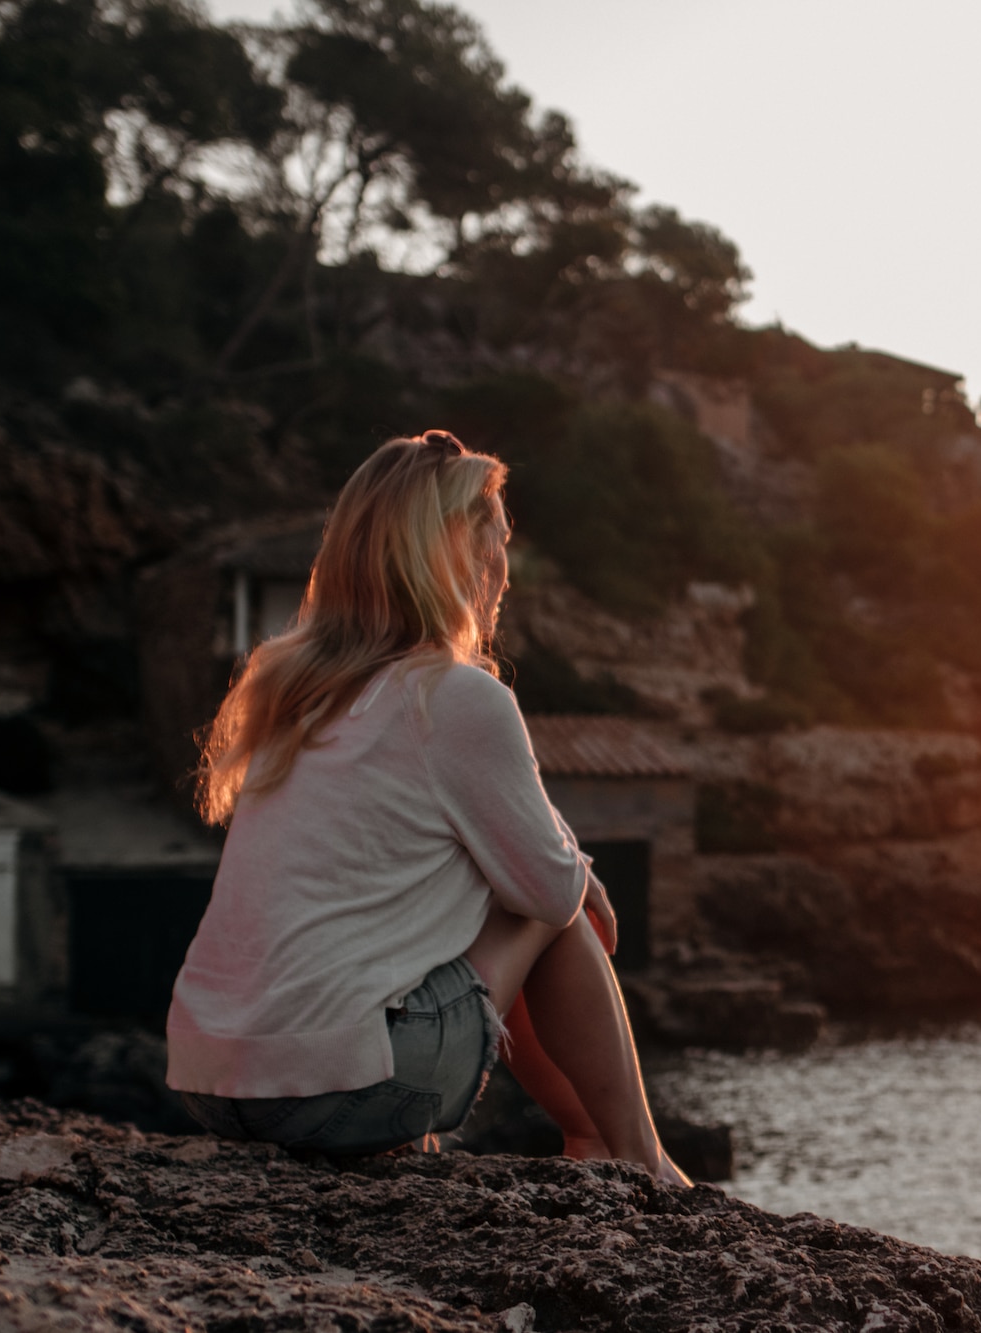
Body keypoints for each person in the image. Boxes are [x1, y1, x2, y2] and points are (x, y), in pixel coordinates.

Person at [165, 430, 688, 1183]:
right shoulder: (455, 696)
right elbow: (549, 891)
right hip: (345, 1091)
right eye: (497, 539)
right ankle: (631, 1153)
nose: (505, 568)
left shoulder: (293, 690)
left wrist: (566, 863)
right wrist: (578, 872)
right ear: (454, 548)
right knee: (546, 908)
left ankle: (597, 1145)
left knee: (512, 882)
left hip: (212, 1081)